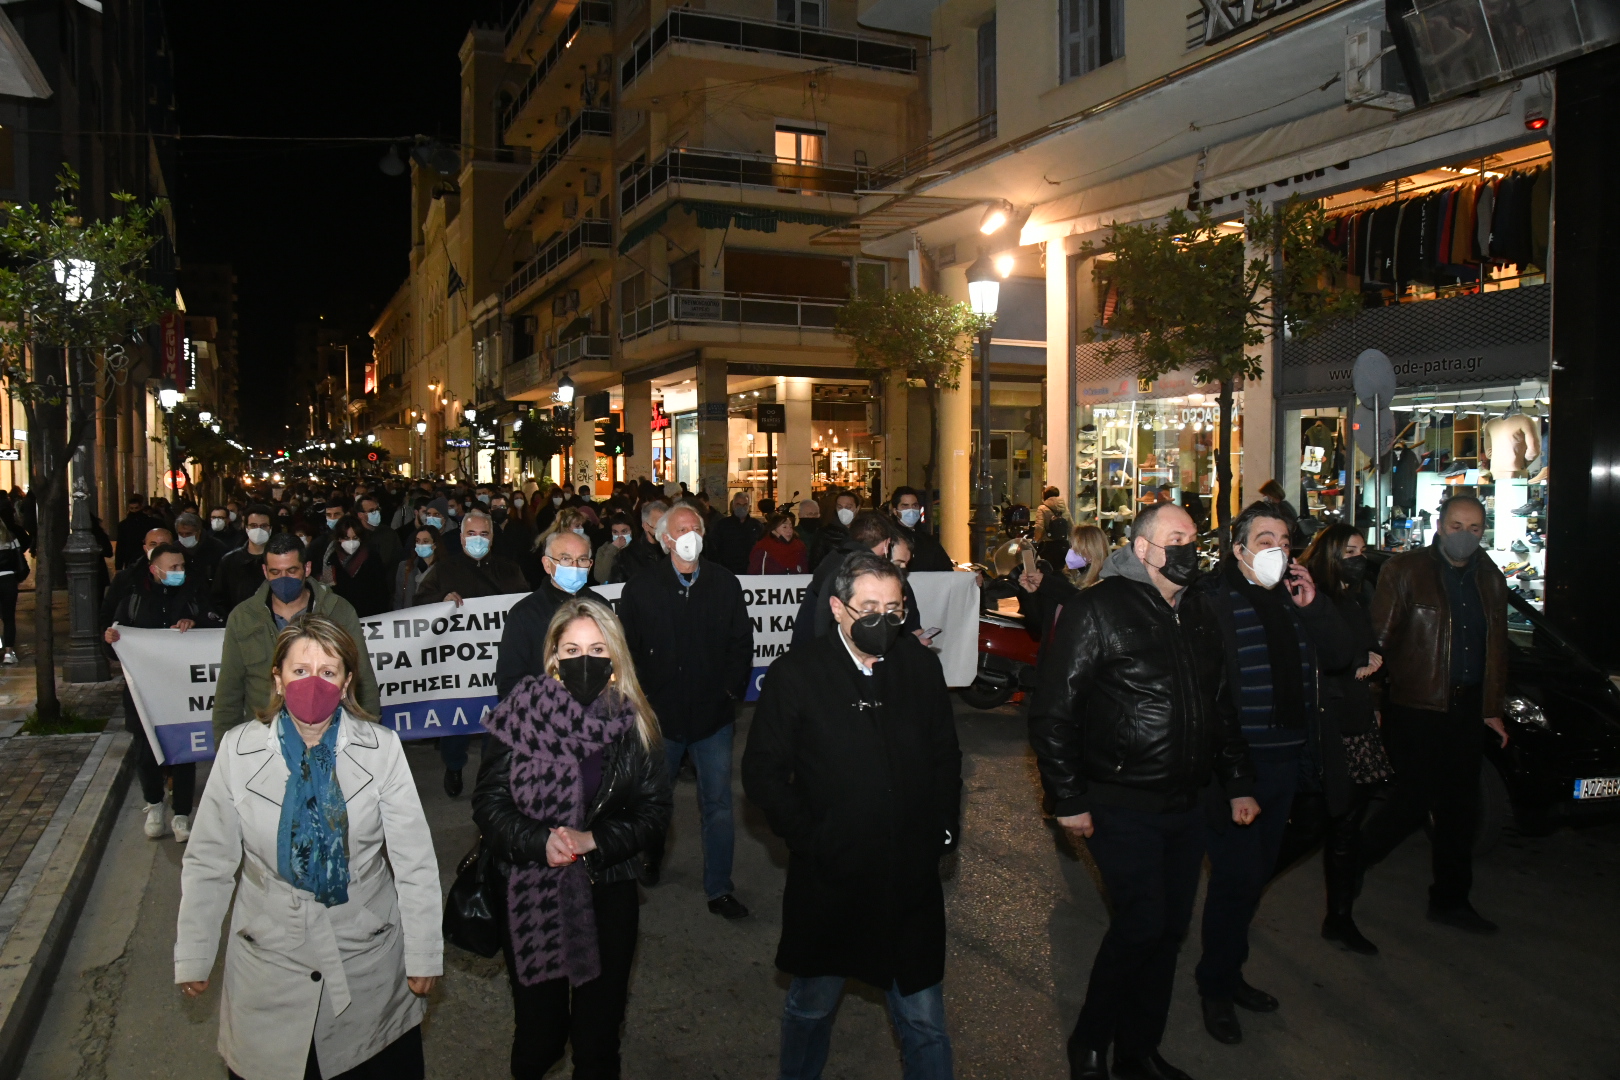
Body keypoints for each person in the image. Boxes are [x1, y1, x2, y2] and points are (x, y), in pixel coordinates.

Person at [1028, 503, 1257, 1080]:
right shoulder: (1098, 608)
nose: (1189, 547)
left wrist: (1238, 783)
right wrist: (1068, 797)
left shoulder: (1200, 611)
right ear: (1144, 548)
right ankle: (1090, 1040)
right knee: (1141, 924)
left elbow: (1219, 707)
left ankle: (1138, 1051)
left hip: (1187, 804)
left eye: (1194, 538)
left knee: (1169, 930)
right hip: (1118, 801)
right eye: (1176, 538)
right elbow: (1054, 711)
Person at [176, 616, 441, 1080]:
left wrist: (423, 953)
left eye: (328, 671)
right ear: (276, 678)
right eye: (300, 671)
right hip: (268, 959)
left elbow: (413, 859)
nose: (313, 683)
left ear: (346, 682)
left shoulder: (381, 749)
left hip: (367, 960)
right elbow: (209, 861)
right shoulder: (238, 751)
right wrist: (195, 953)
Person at [743, 553, 962, 1079]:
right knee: (811, 1005)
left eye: (894, 609)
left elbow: (945, 756)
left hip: (910, 879)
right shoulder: (798, 675)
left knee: (925, 1020)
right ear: (838, 608)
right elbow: (763, 775)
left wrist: (944, 829)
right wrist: (813, 839)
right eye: (869, 608)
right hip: (832, 881)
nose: (883, 621)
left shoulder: (918, 667)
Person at [474, 596, 672, 1080]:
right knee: (538, 1037)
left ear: (616, 656)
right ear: (554, 658)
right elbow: (489, 803)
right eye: (572, 648)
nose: (585, 659)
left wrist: (594, 840)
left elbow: (654, 813)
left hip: (607, 889)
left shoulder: (636, 722)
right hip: (530, 888)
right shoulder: (518, 715)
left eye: (598, 648)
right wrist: (537, 840)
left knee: (598, 1038)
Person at [1191, 501, 1354, 1045]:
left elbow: (1342, 655)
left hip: (1288, 759)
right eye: (1264, 540)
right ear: (1237, 549)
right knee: (1237, 877)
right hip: (1235, 766)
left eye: (1284, 541)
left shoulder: (1294, 599)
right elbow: (1210, 697)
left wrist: (1313, 608)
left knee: (1253, 877)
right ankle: (1216, 986)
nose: (1277, 551)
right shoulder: (1212, 602)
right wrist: (1234, 779)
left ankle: (1227, 971)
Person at [1361, 494, 1508, 933]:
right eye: (1458, 526)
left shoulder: (1491, 578)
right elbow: (1377, 642)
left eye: (1476, 529)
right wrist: (1372, 704)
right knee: (1410, 804)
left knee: (1460, 810)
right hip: (1416, 707)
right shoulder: (1406, 572)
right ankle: (1350, 863)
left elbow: (1496, 649)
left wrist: (1491, 708)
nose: (1466, 536)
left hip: (1465, 707)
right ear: (1440, 526)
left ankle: (1450, 900)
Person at [618, 503, 753, 913]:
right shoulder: (640, 589)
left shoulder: (724, 583)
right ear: (664, 540)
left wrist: (729, 693)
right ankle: (650, 857)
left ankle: (719, 887)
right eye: (682, 528)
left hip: (712, 717)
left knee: (718, 805)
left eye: (696, 526)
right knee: (654, 800)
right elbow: (630, 653)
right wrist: (645, 703)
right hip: (661, 719)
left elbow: (740, 644)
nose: (691, 532)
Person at [1290, 523, 1387, 955]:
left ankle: (1340, 916)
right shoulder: (1314, 598)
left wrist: (1371, 675)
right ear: (1329, 553)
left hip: (1357, 720)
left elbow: (1365, 648)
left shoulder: (1353, 595)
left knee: (1346, 825)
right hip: (1331, 725)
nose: (1358, 557)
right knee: (1316, 825)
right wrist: (1353, 666)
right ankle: (1243, 883)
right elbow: (1322, 658)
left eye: (1361, 550)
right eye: (1349, 550)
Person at [104, 543, 220, 842]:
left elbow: (216, 626)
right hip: (144, 695)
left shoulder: (194, 596)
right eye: (173, 567)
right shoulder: (133, 602)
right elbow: (115, 648)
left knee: (183, 755)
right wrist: (112, 639)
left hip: (182, 694)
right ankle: (154, 804)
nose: (179, 572)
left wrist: (196, 624)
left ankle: (181, 815)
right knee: (145, 755)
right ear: (155, 570)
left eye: (182, 566)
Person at [212, 533, 380, 740]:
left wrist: (369, 738)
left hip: (329, 734)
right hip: (264, 738)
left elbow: (362, 678)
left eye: (291, 571)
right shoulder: (243, 618)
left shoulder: (338, 611)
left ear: (306, 569)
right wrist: (225, 752)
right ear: (265, 571)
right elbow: (228, 692)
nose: (283, 579)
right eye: (275, 572)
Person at [415, 509, 528, 796]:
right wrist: (440, 600)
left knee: (495, 719)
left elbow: (524, 605)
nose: (478, 539)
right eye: (471, 534)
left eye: (484, 534)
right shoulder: (444, 570)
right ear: (462, 537)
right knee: (457, 722)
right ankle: (454, 766)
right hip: (457, 666)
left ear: (492, 538)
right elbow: (419, 603)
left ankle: (489, 777)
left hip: (498, 661)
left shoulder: (509, 569)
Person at [495, 529, 601, 700]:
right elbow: (510, 681)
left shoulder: (601, 606)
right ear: (547, 564)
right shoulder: (524, 613)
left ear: (590, 565)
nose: (574, 567)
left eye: (581, 560)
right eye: (565, 559)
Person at [323, 515, 391, 618]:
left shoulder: (371, 557)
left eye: (355, 538)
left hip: (370, 617)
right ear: (339, 538)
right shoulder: (330, 559)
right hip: (342, 619)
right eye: (346, 538)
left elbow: (381, 591)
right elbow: (328, 590)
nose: (351, 542)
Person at [215, 504, 276, 616]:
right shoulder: (230, 561)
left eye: (263, 526)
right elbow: (218, 598)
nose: (258, 530)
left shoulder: (280, 560)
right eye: (253, 525)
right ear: (246, 527)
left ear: (270, 528)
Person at [888, 487, 953, 572]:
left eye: (914, 505)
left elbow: (946, 570)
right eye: (905, 506)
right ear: (895, 511)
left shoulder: (928, 540)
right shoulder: (888, 539)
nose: (911, 510)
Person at [0, 493, 31, 665]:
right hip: (9, 580)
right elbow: (20, 557)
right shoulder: (10, 538)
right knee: (9, 617)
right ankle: (8, 652)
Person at [609, 499, 666, 584]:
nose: (664, 530)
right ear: (646, 526)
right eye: (659, 526)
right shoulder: (626, 557)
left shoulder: (674, 551)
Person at [710, 490, 764, 575]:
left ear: (749, 506)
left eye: (745, 505)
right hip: (727, 571)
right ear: (733, 505)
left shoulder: (757, 525)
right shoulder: (722, 525)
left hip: (750, 572)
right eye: (738, 504)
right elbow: (713, 548)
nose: (741, 507)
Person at [175, 511, 228, 593]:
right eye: (180, 533)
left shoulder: (217, 547)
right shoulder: (174, 549)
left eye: (188, 533)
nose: (184, 537)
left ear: (198, 532)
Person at [808, 492, 859, 571]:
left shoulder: (864, 533)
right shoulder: (824, 533)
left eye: (848, 507)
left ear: (857, 508)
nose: (843, 511)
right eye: (840, 507)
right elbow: (815, 564)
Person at [395, 525, 440, 610]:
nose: (420, 545)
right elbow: (398, 599)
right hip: (409, 618)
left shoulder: (444, 569)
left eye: (425, 541)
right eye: (418, 541)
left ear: (435, 545)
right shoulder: (405, 567)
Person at [358, 492, 404, 574]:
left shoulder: (389, 533)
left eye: (377, 509)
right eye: (371, 511)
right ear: (360, 515)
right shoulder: (355, 535)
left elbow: (398, 559)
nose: (376, 513)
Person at [114, 493, 159, 570]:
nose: (134, 511)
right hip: (131, 557)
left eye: (136, 508)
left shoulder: (149, 522)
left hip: (144, 555)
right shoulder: (124, 525)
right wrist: (118, 566)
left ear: (140, 507)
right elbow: (121, 545)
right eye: (132, 508)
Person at [1258, 480, 1302, 549]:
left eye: (1265, 494)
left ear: (1271, 494)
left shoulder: (1280, 509)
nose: (1264, 497)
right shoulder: (1285, 505)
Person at [592, 512, 634, 585]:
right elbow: (601, 577)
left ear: (631, 531)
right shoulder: (603, 550)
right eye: (615, 532)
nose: (619, 536)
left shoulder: (639, 549)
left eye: (624, 531)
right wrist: (612, 549)